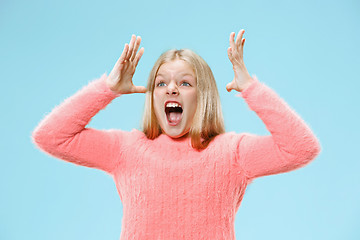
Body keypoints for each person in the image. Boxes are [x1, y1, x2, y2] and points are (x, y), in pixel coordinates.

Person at [31, 30, 321, 240]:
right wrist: (108, 89)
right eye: (161, 83)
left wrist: (251, 88)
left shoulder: (231, 152)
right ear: (153, 96)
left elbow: (301, 148)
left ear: (203, 95)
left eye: (185, 83)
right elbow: (51, 137)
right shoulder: (126, 149)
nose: (171, 89)